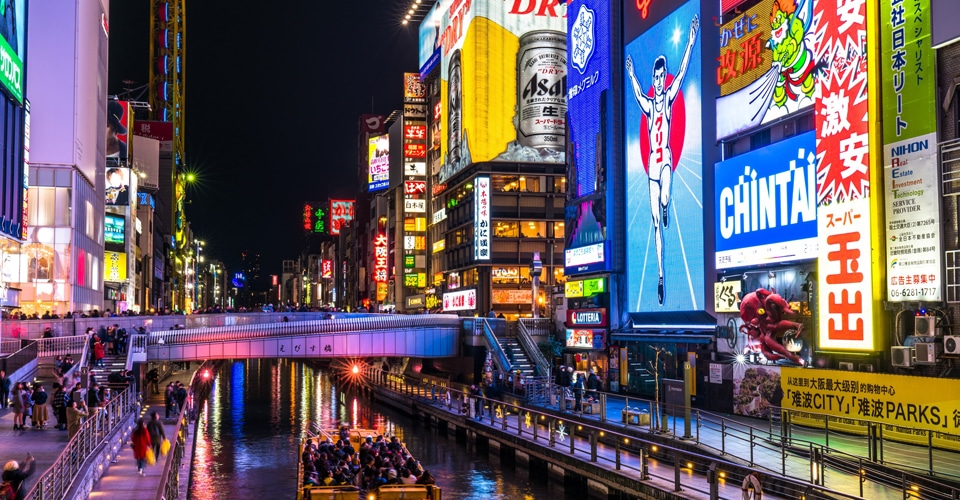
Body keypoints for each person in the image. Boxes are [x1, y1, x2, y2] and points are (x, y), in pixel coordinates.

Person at [625, 13, 699, 305]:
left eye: (659, 76)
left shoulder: (667, 98)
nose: (657, 81)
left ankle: (667, 205)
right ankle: (660, 277)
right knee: (656, 224)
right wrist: (631, 74)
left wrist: (691, 41)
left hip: (665, 160)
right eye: (654, 77)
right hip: (651, 171)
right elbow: (636, 94)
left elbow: (681, 72)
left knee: (665, 200)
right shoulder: (647, 102)